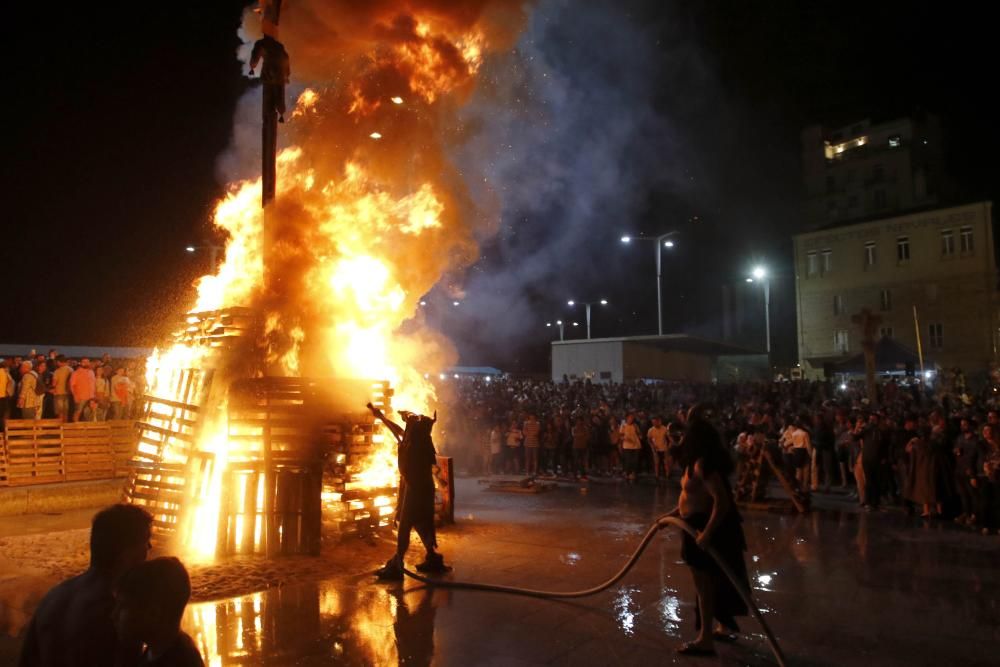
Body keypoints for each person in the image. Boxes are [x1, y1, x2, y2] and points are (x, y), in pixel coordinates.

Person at [19, 504, 153, 667]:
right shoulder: (117, 614)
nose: (149, 548)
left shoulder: (54, 596)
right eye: (146, 541)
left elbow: (27, 659)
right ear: (126, 554)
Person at [670, 404, 750, 656]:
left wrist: (707, 533)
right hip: (691, 524)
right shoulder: (693, 462)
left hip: (701, 529)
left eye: (686, 436)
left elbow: (721, 501)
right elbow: (688, 495)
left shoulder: (703, 465)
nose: (681, 439)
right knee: (710, 583)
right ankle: (721, 626)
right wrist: (673, 514)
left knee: (704, 586)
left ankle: (705, 639)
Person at [367, 402, 449, 580]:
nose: (406, 426)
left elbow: (426, 468)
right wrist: (381, 417)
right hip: (420, 488)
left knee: (405, 525)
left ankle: (398, 562)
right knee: (421, 522)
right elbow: (397, 431)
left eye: (409, 424)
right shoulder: (418, 441)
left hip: (415, 489)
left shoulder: (416, 446)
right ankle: (432, 557)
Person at [113, 557, 204, 667]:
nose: (113, 615)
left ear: (153, 613)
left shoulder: (178, 661)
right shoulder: (159, 651)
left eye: (123, 606)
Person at [70, 358, 97, 422]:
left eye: (87, 362)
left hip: (91, 397)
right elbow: (72, 385)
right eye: (84, 362)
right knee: (78, 412)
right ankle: (75, 428)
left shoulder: (91, 372)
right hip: (81, 397)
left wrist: (95, 395)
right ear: (81, 363)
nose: (86, 363)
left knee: (91, 413)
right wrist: (75, 396)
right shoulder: (76, 373)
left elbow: (94, 384)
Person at [620, 412, 642, 483]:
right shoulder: (623, 426)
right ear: (627, 418)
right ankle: (627, 473)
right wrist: (625, 438)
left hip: (636, 446)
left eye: (632, 418)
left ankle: (633, 473)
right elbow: (621, 435)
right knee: (628, 460)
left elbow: (639, 434)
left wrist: (640, 436)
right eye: (630, 417)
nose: (631, 419)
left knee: (635, 461)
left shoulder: (635, 425)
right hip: (627, 446)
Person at [647, 416, 670, 483]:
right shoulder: (650, 430)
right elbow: (649, 440)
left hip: (664, 448)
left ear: (659, 421)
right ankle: (657, 476)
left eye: (655, 422)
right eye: (653, 422)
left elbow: (668, 438)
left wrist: (668, 447)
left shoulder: (664, 429)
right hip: (655, 449)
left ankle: (667, 475)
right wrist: (652, 447)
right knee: (656, 463)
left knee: (666, 463)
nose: (654, 423)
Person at [52, 355, 72, 422]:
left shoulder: (57, 371)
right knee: (66, 412)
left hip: (58, 393)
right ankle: (65, 427)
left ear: (58, 362)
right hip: (68, 393)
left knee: (60, 412)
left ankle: (61, 428)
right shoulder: (71, 369)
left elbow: (54, 383)